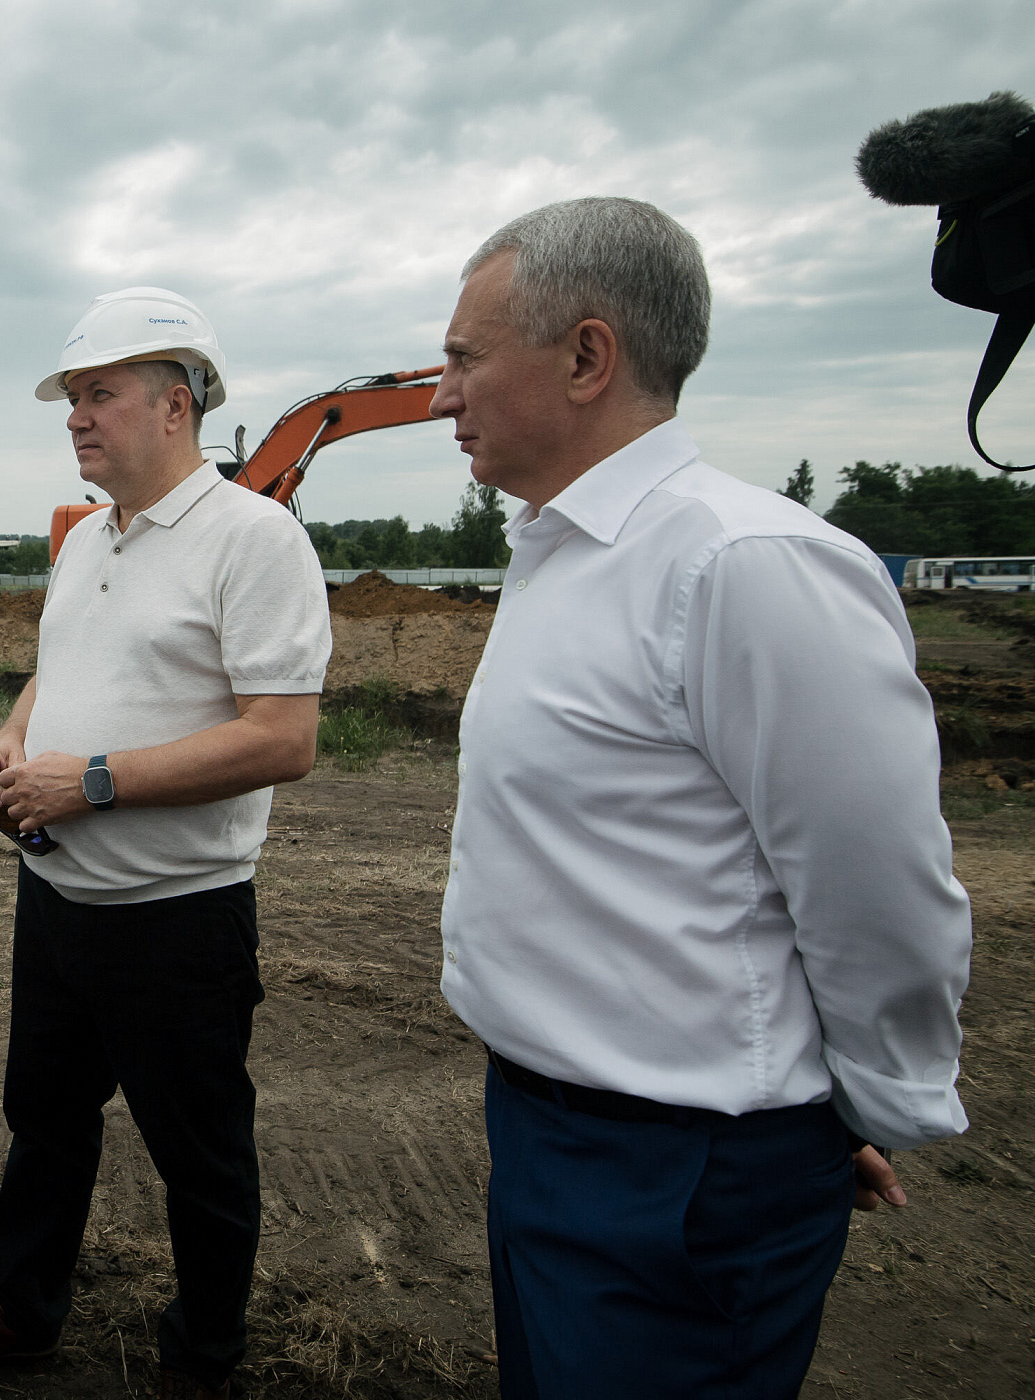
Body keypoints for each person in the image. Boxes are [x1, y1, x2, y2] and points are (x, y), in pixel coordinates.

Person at [430, 196, 971, 1399]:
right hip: (551, 1130)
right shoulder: (564, 555)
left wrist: (853, 1109)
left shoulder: (745, 565)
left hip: (677, 1175)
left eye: (464, 358)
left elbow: (876, 890)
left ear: (586, 355)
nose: (439, 394)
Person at [0, 288, 331, 1400]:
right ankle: (22, 1311)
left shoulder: (256, 538)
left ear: (175, 405)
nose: (76, 417)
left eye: (99, 393)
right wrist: (6, 737)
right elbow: (62, 666)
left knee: (203, 1158)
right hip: (60, 903)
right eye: (72, 398)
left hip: (180, 919)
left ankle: (203, 1358)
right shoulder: (86, 540)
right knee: (44, 1125)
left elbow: (285, 736)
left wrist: (89, 781)